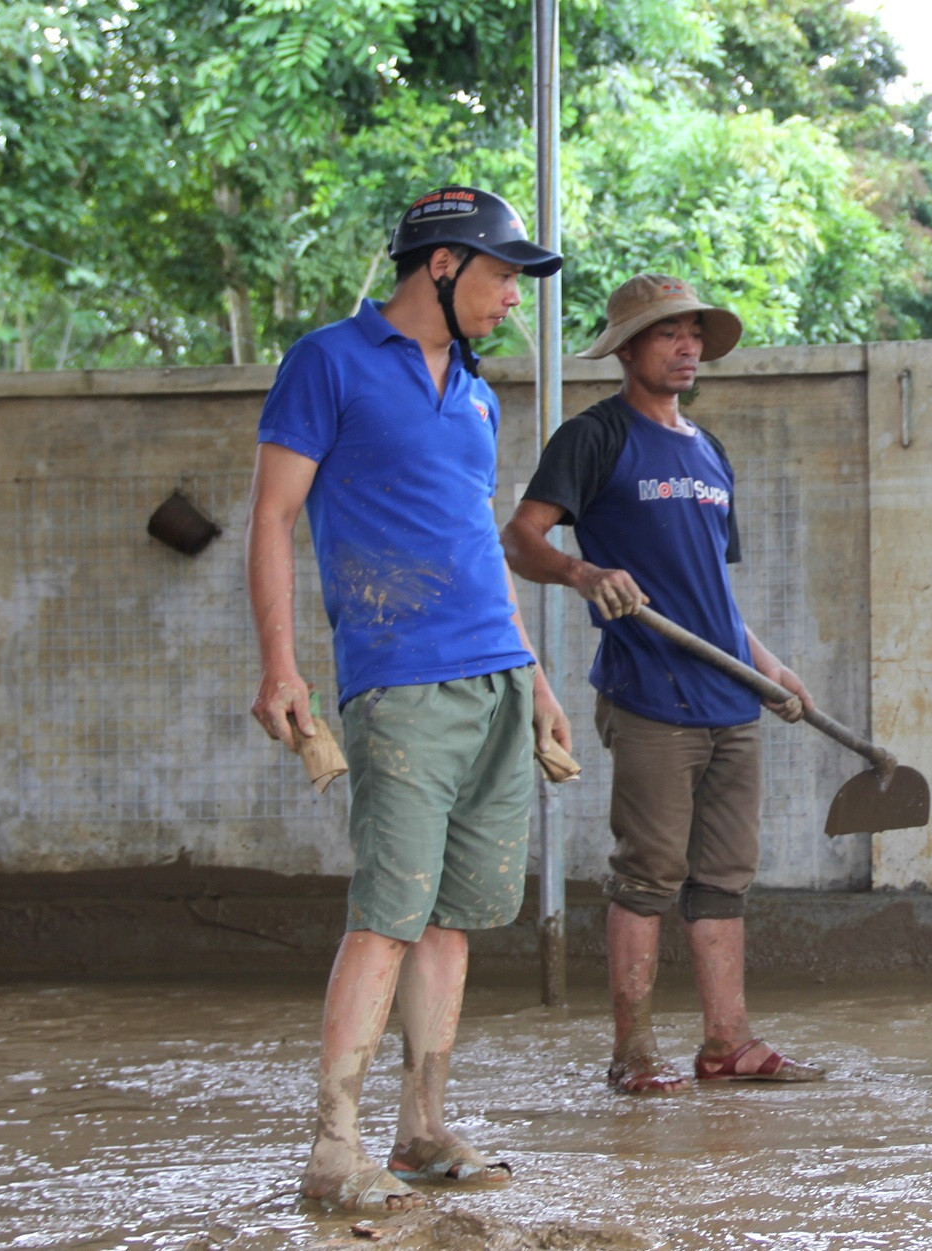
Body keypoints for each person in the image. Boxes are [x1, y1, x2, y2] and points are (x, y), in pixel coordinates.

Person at [247, 186, 568, 1212]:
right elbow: (272, 518)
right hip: (399, 679)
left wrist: (538, 680)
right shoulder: (327, 362)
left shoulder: (476, 392)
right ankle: (335, 1146)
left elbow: (478, 545)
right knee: (388, 913)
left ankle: (422, 1126)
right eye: (501, 276)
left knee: (451, 920)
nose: (512, 298)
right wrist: (280, 665)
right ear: (440, 265)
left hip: (495, 676)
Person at [502, 274, 824, 1095]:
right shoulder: (595, 436)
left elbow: (708, 589)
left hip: (729, 695)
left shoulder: (709, 452)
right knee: (648, 874)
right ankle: (634, 1052)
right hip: (650, 693)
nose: (685, 348)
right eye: (666, 334)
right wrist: (584, 572)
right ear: (627, 348)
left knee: (724, 877)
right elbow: (520, 540)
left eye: (693, 334)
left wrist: (768, 665)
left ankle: (728, 1043)